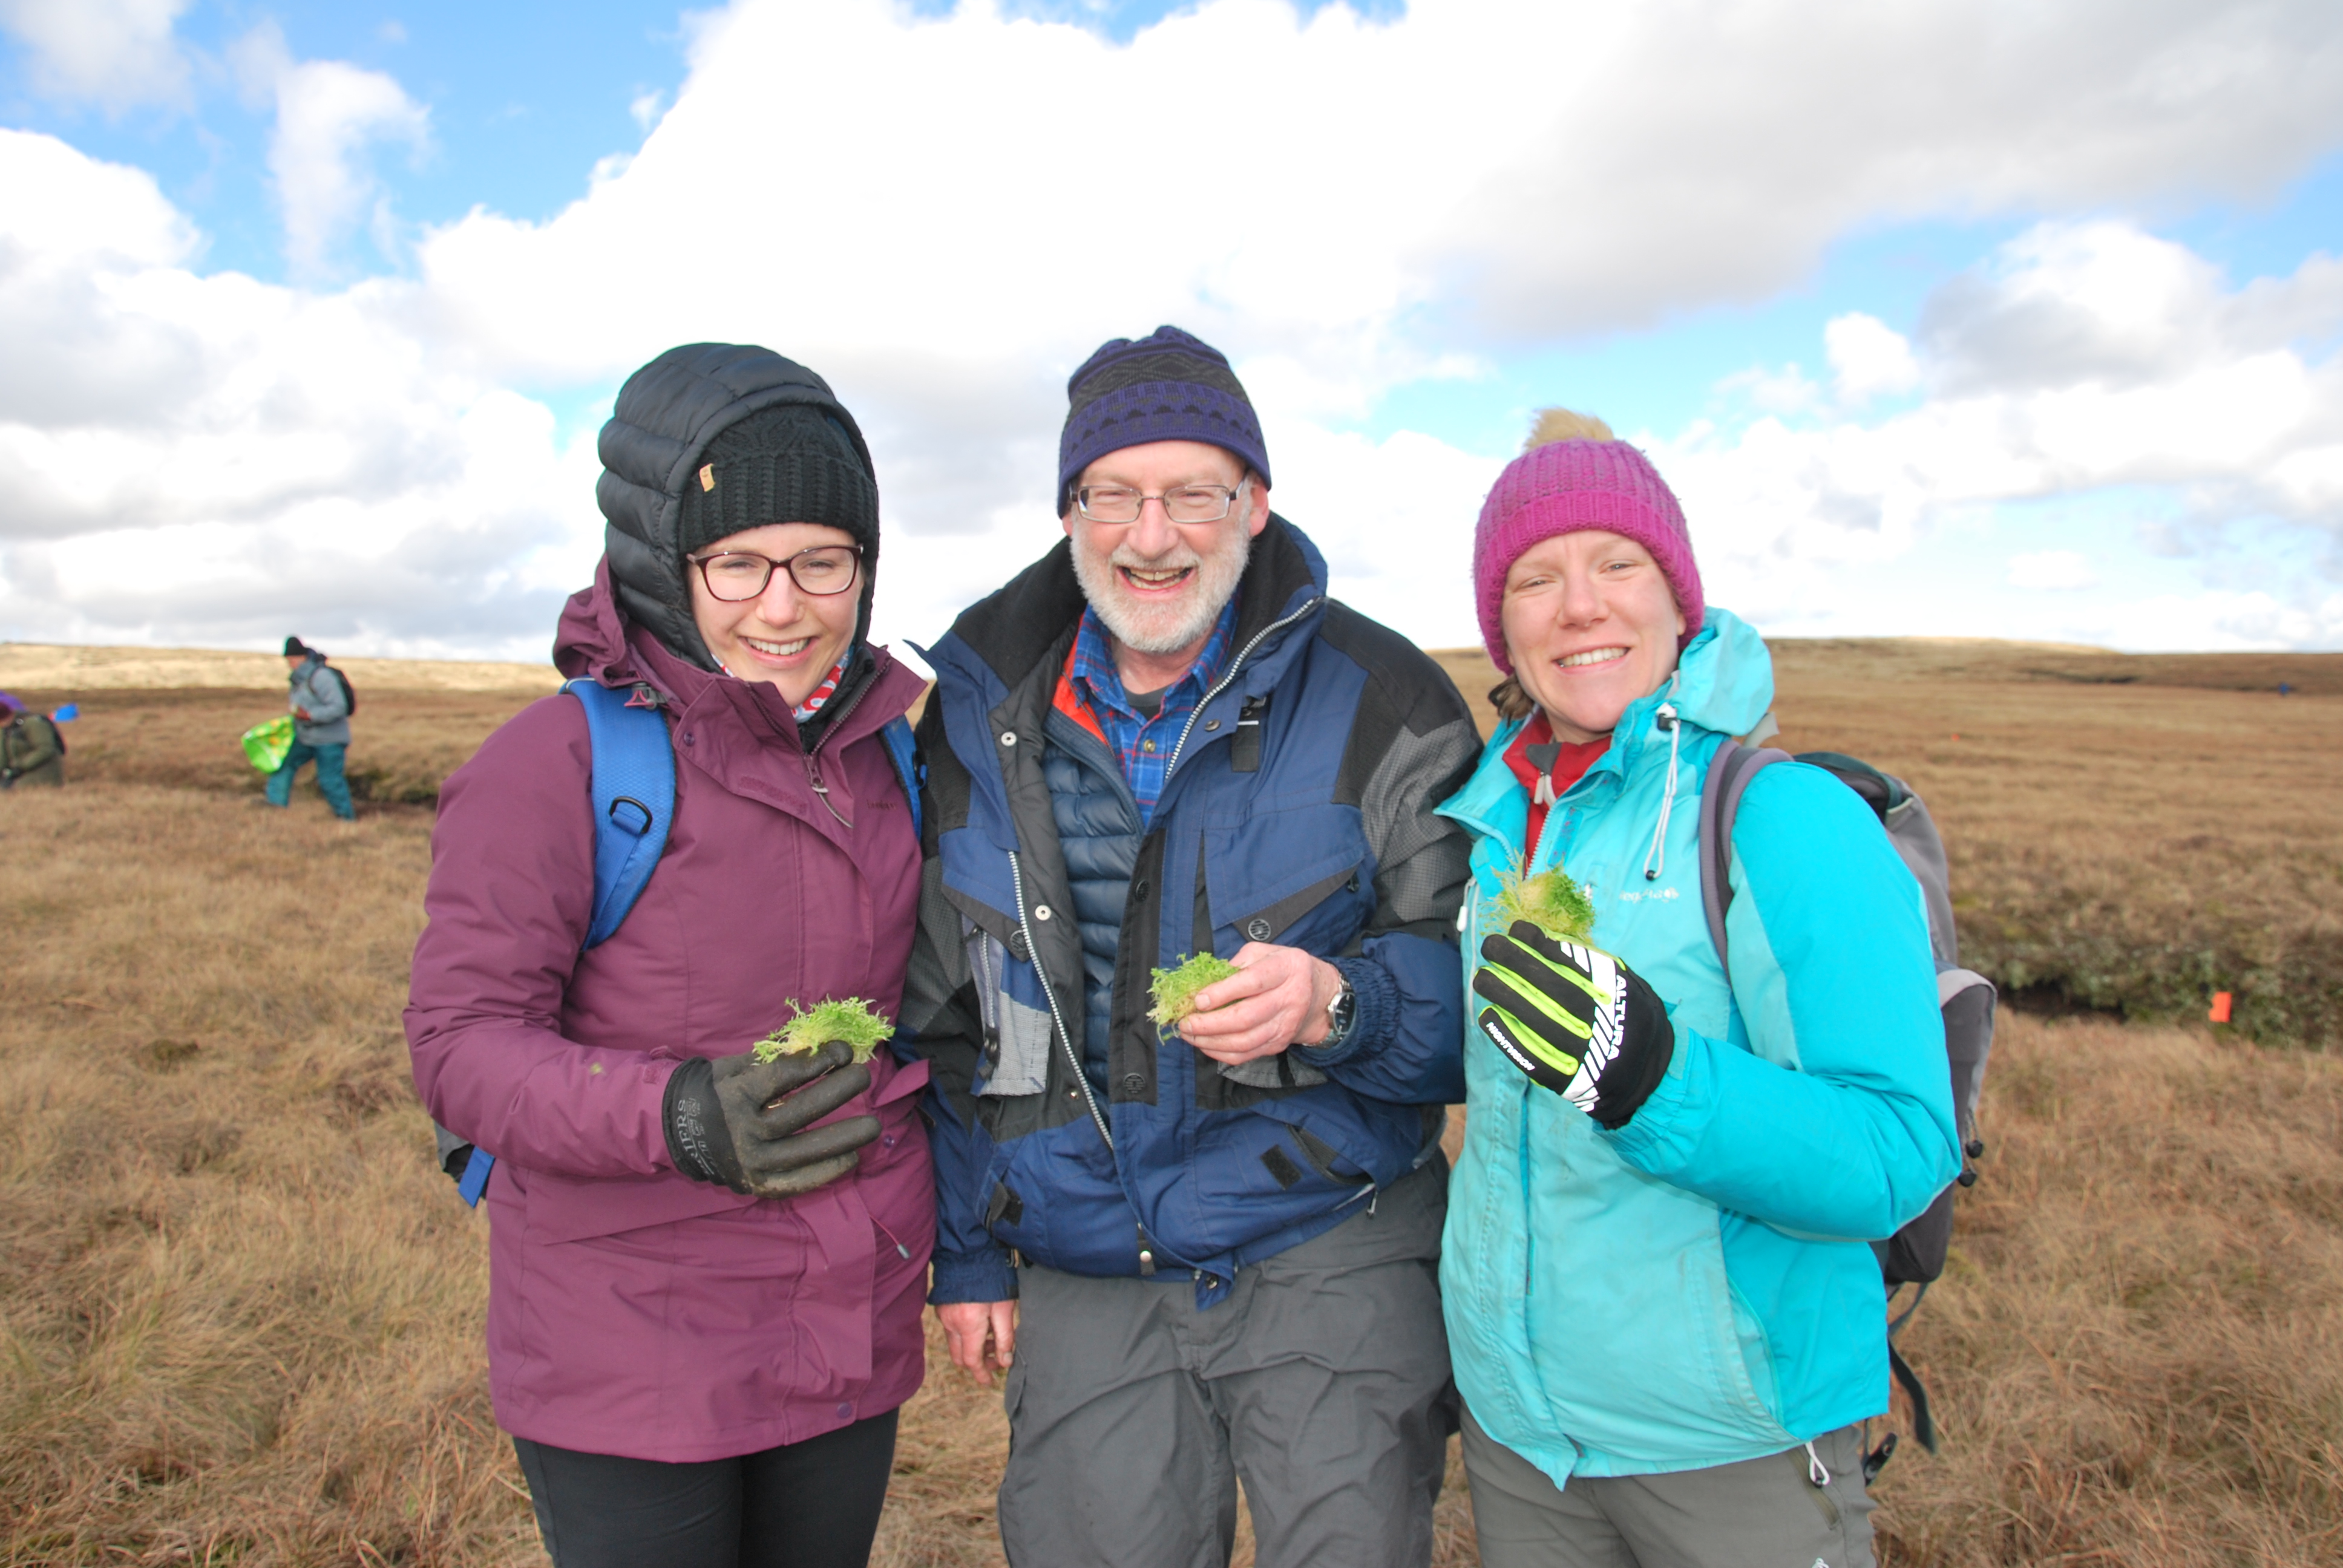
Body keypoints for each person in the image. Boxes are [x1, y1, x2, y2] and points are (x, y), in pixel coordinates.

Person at [900, 325, 1481, 1568]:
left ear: (1256, 506)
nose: (1149, 535)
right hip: (1080, 1260)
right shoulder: (967, 714)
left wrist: (1344, 1005)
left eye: (1193, 495)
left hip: (1331, 1244)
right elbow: (950, 1013)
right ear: (1069, 511)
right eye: (1112, 494)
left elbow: (1472, 992)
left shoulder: (1388, 702)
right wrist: (964, 1250)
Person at [404, 344, 934, 1568]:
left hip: (840, 1325)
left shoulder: (888, 755)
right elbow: (461, 1048)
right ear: (663, 564)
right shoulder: (559, 766)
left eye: (823, 561)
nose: (785, 606)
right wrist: (679, 1113)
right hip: (625, 1339)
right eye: (736, 564)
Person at [1436, 411, 1961, 1568]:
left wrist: (1656, 1082)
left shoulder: (1780, 816)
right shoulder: (1493, 828)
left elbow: (1897, 1148)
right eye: (1535, 577)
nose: (1580, 604)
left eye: (1617, 564)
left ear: (1679, 601)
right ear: (1502, 627)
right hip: (1524, 1437)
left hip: (1732, 1439)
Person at [267, 636, 355, 820]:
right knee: (283, 766)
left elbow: (339, 707)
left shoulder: (322, 677)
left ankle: (346, 819)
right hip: (305, 737)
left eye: (291, 660)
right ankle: (275, 810)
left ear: (302, 658)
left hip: (330, 740)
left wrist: (310, 716)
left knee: (330, 781)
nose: (289, 665)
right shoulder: (298, 681)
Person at [0, 692, 65, 788]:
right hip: (19, 774)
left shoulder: (33, 724)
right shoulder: (7, 729)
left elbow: (46, 749)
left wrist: (21, 767)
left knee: (7, 791)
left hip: (40, 775)